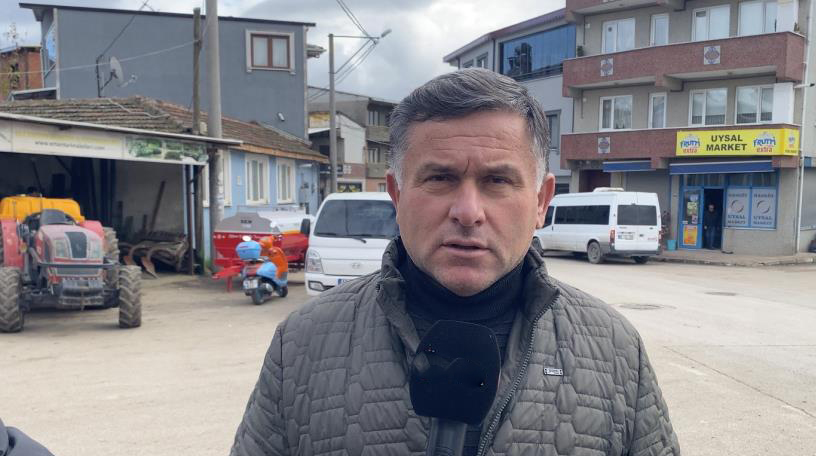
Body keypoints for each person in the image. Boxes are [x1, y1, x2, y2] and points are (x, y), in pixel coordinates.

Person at [230, 69, 680, 456]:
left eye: (497, 180)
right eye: (440, 177)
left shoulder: (617, 350)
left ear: (541, 201)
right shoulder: (302, 343)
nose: (468, 212)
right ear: (396, 194)